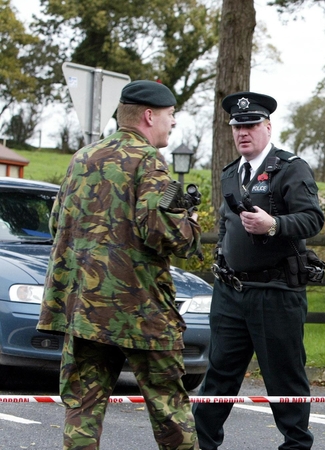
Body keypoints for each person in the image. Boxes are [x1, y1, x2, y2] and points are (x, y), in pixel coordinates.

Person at [37, 80, 202, 449]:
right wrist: (190, 220)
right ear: (148, 116)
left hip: (84, 308)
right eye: (170, 115)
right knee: (169, 409)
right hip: (139, 308)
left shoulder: (82, 158)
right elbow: (166, 235)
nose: (172, 123)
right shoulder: (148, 161)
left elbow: (55, 224)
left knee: (83, 409)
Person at [192, 91, 324, 450]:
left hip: (276, 292)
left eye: (250, 125)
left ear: (267, 127)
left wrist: (274, 224)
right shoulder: (231, 172)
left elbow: (314, 219)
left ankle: (296, 446)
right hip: (231, 292)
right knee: (218, 377)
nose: (243, 133)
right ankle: (202, 445)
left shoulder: (290, 168)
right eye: (237, 127)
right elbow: (225, 224)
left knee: (285, 380)